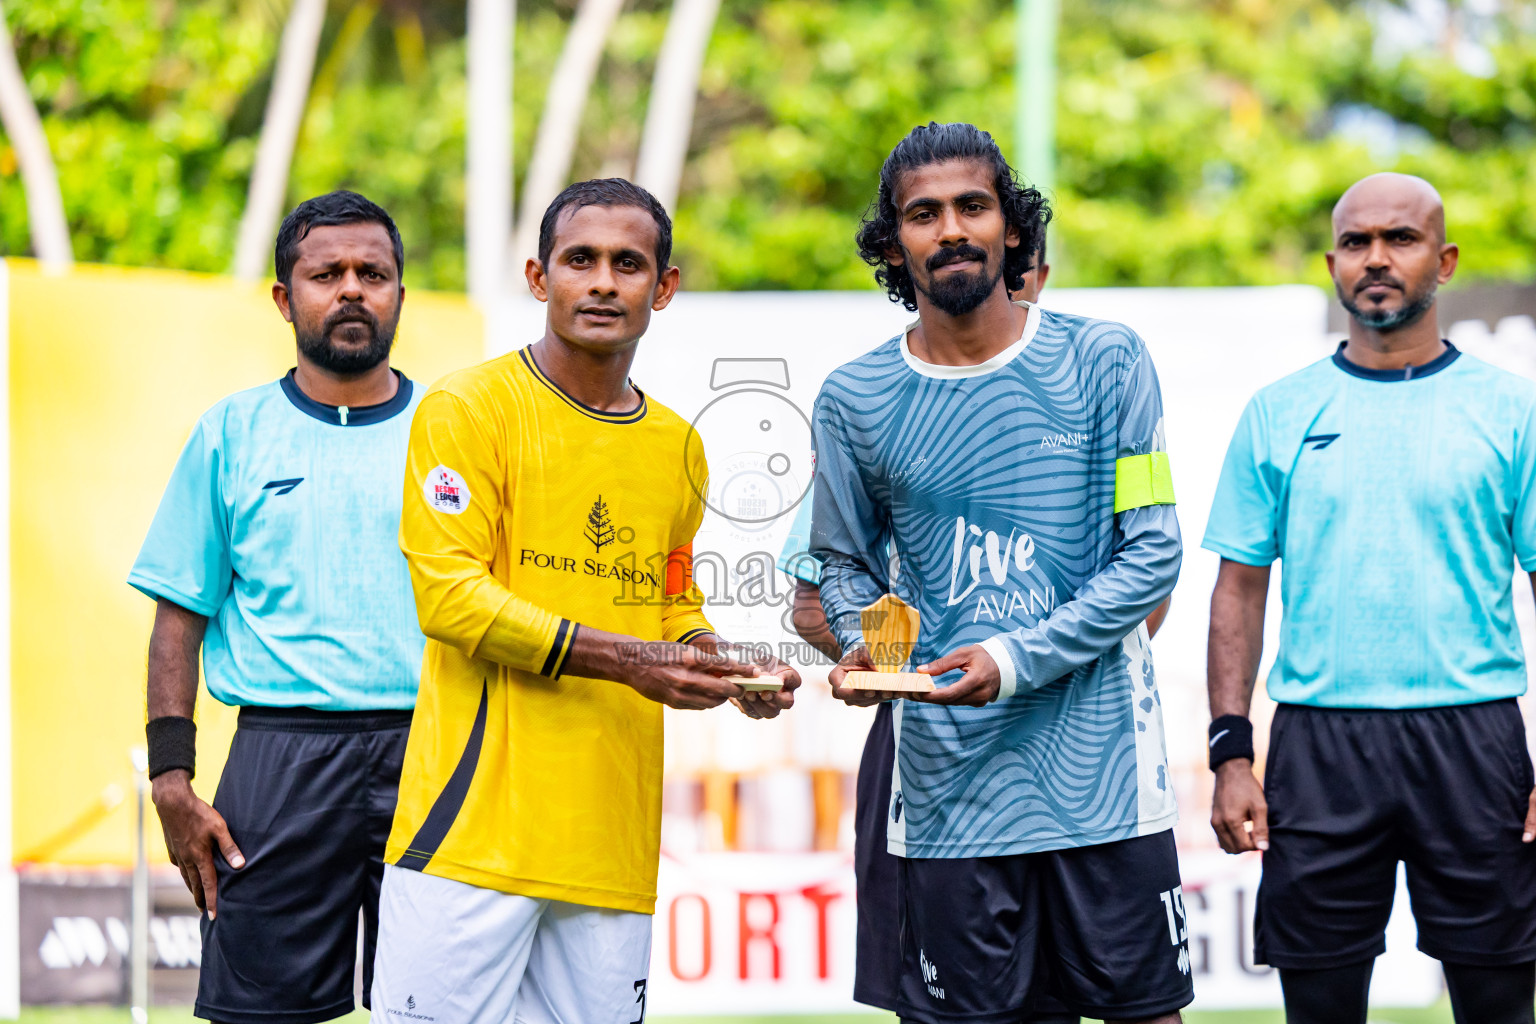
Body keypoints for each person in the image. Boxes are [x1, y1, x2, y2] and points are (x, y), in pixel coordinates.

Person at [370, 178, 800, 1023]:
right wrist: (635, 660)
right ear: (539, 278)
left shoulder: (679, 443)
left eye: (628, 264)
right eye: (581, 260)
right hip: (470, 841)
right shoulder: (468, 407)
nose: (603, 281)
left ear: (663, 288)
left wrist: (718, 660)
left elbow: (668, 600)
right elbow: (451, 599)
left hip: (611, 846)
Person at [813, 121, 1190, 1024]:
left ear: (1012, 229)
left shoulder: (1108, 360)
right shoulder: (853, 399)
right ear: (893, 243)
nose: (950, 229)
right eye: (923, 214)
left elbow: (1153, 552)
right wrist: (873, 652)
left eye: (972, 206)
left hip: (1106, 788)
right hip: (948, 797)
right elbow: (838, 564)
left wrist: (1013, 660)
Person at [1204, 172, 1536, 1024]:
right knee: (1318, 1007)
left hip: (1475, 737)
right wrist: (1231, 754)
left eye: (1401, 238)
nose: (1376, 259)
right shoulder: (1279, 412)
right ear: (1332, 262)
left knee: (1499, 1001)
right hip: (1319, 743)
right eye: (1356, 242)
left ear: (1445, 259)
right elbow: (1239, 589)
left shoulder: (1511, 411)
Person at [129, 190, 423, 1024]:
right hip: (280, 758)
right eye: (325, 273)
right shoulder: (232, 432)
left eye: (374, 272)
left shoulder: (454, 429)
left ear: (401, 291)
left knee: (446, 1008)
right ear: (283, 297)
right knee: (260, 1014)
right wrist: (169, 777)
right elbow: (177, 619)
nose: (352, 290)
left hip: (435, 751)